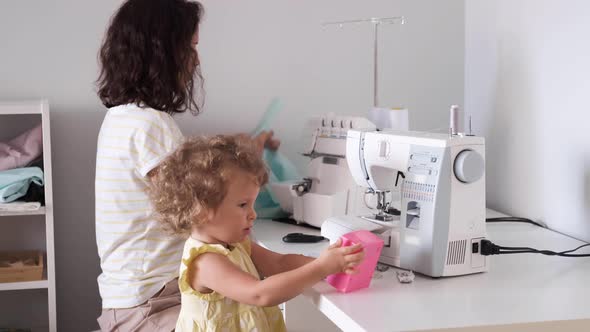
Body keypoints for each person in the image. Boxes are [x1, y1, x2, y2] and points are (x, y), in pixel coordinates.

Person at [94, 0, 278, 330]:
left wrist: (250, 146)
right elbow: (202, 205)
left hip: (130, 300)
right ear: (163, 51)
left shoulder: (122, 118)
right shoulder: (151, 126)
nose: (196, 59)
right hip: (153, 304)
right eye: (191, 46)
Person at [148, 135, 365, 331]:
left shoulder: (236, 244)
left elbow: (279, 263)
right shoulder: (205, 261)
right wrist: (321, 267)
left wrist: (329, 264)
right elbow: (259, 294)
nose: (253, 214)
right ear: (202, 211)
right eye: (243, 204)